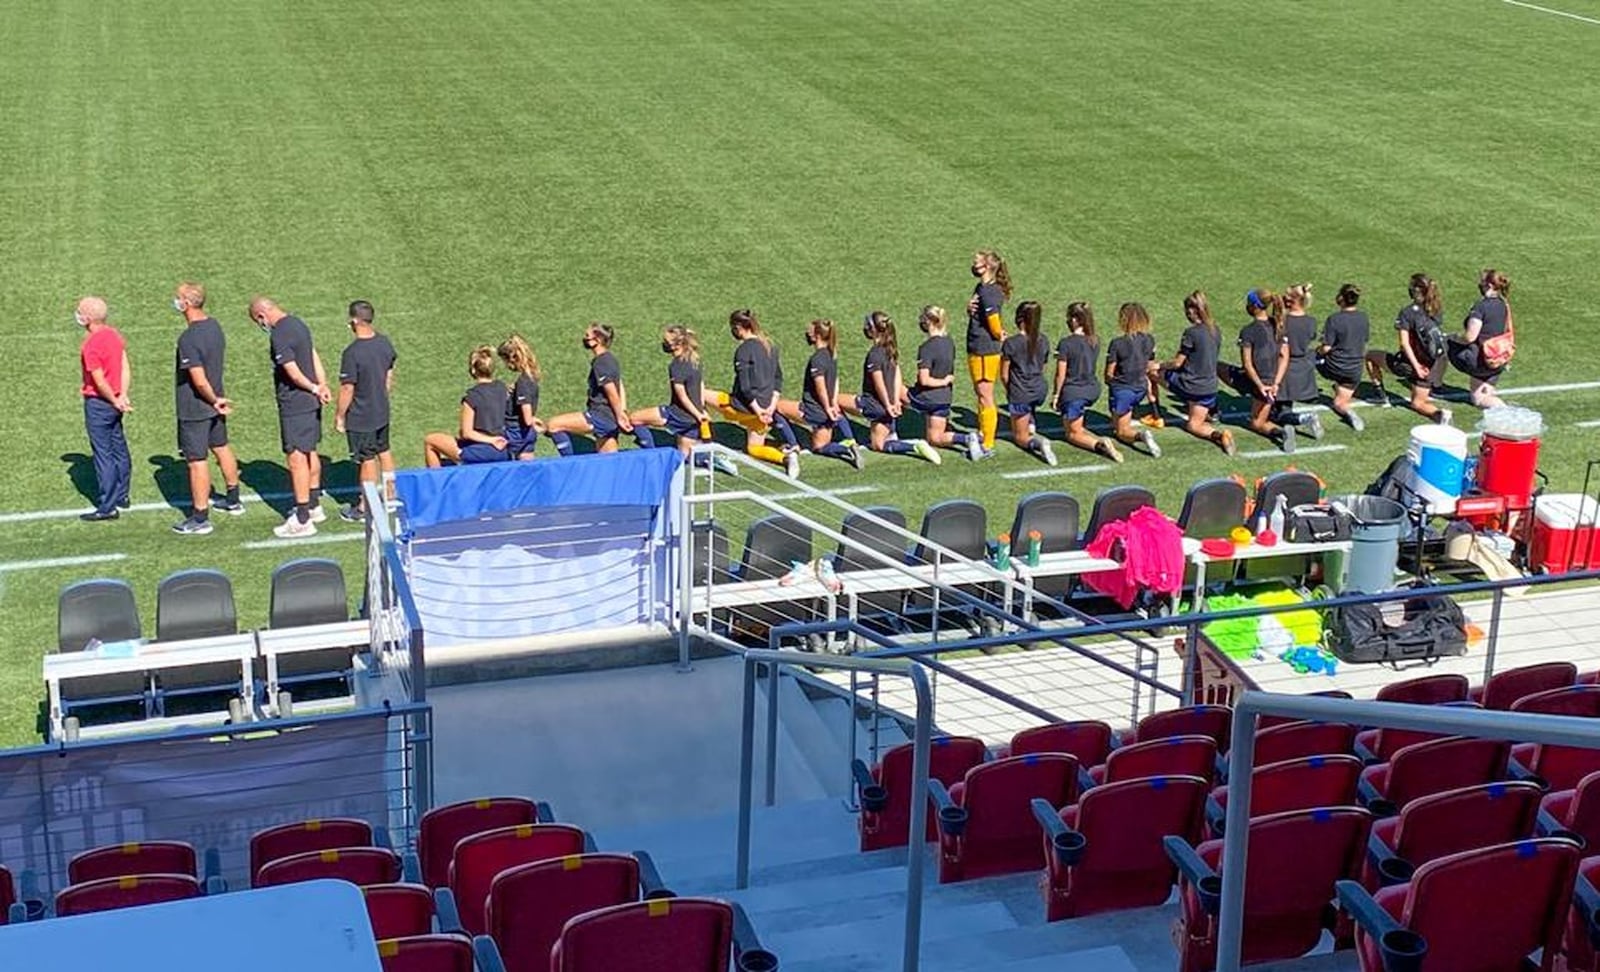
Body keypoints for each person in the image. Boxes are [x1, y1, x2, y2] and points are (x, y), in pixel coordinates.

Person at [171, 282, 243, 535]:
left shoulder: (188, 338)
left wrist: (213, 399)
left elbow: (198, 379)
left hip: (197, 407)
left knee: (196, 460)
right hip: (215, 403)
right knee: (221, 446)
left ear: (187, 303)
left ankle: (200, 517)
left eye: (178, 298)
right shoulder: (214, 326)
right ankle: (233, 498)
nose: (176, 301)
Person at [708, 310, 799, 478]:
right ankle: (786, 459)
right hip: (765, 408)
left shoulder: (743, 350)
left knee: (700, 395)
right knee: (754, 449)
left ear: (739, 327)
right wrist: (770, 407)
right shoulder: (770, 345)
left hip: (743, 408)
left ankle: (704, 442)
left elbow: (745, 388)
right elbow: (778, 378)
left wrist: (758, 411)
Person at [841, 312, 940, 464]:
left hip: (874, 404)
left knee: (834, 400)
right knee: (879, 445)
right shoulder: (891, 350)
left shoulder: (874, 354)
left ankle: (849, 441)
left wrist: (888, 405)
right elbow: (896, 378)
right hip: (887, 405)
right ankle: (913, 445)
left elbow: (878, 382)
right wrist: (894, 402)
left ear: (873, 329)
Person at [334, 300, 397, 522]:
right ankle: (390, 497)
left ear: (354, 321)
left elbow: (347, 388)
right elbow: (389, 373)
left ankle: (364, 506)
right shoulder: (384, 342)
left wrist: (340, 416)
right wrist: (382, 394)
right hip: (381, 409)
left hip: (362, 416)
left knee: (366, 459)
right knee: (384, 451)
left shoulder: (352, 353)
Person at [776, 319, 862, 468]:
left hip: (814, 411)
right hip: (827, 413)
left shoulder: (817, 358)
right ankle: (846, 448)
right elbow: (835, 382)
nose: (807, 335)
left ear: (817, 336)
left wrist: (828, 407)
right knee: (819, 447)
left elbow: (820, 385)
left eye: (809, 332)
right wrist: (833, 403)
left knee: (776, 407)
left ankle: (792, 444)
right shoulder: (831, 354)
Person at [1368, 273, 1451, 425]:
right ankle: (1440, 414)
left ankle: (1379, 394)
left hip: (1409, 364)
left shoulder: (1407, 312)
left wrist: (1416, 367)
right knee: (1418, 403)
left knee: (1369, 356)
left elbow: (1404, 344)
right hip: (1430, 367)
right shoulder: (1436, 309)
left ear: (1415, 290)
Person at [76, 296, 132, 522]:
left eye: (79, 311)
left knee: (103, 454)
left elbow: (98, 380)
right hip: (116, 400)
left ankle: (107, 506)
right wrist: (122, 395)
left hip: (100, 404)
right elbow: (125, 366)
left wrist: (113, 399)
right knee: (119, 446)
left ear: (88, 318)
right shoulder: (114, 335)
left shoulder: (90, 344)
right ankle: (122, 495)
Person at [1162, 291, 1234, 455]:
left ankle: (1155, 414)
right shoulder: (1216, 330)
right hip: (1209, 388)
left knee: (1152, 373)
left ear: (1192, 310)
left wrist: (1159, 365)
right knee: (1194, 425)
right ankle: (1220, 435)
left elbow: (1177, 363)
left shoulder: (1191, 333)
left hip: (1191, 386)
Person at [543, 323, 632, 455]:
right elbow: (620, 385)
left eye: (587, 336)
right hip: (610, 418)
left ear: (598, 340)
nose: (584, 338)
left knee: (553, 425)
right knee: (608, 460)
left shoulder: (601, 362)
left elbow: (612, 391)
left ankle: (571, 462)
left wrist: (620, 416)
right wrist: (622, 411)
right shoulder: (611, 359)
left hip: (601, 416)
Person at [1226, 289, 1295, 454]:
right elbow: (1284, 356)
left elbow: (1248, 364)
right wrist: (1276, 383)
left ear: (1255, 306)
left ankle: (1282, 432)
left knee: (1257, 423)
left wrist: (1260, 386)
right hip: (1274, 382)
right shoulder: (1278, 325)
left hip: (1259, 383)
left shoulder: (1248, 331)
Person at [629, 325, 714, 456]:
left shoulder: (676, 365)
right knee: (684, 456)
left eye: (666, 342)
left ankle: (652, 454)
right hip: (694, 419)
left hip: (678, 414)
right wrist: (701, 410)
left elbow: (682, 396)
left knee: (634, 419)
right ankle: (708, 460)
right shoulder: (695, 359)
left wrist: (698, 415)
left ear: (676, 345)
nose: (664, 344)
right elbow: (700, 386)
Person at [908, 305, 980, 460]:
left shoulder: (926, 348)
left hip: (928, 397)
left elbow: (924, 379)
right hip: (944, 399)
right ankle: (967, 438)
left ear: (928, 322)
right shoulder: (949, 343)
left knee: (897, 393)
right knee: (935, 438)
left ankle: (888, 433)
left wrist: (942, 381)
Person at [1052, 302, 1120, 462]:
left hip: (1074, 392)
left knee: (1072, 434)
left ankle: (1099, 445)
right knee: (1076, 426)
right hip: (1092, 389)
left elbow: (1060, 375)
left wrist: (1056, 395)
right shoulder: (1094, 340)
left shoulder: (1066, 343)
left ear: (1076, 320)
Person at [422, 346, 511, 466]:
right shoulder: (502, 388)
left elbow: (467, 433)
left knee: (430, 440)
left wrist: (491, 440)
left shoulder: (472, 397)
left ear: (473, 370)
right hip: (503, 449)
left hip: (481, 450)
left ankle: (436, 483)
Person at [998, 301, 1057, 465]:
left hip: (1021, 393)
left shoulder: (1011, 343)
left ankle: (1038, 443)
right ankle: (1030, 422)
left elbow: (1004, 374)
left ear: (1020, 319)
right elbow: (1043, 367)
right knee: (1028, 408)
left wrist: (1012, 392)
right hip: (1039, 390)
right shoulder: (1044, 340)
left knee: (1019, 437)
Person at [965, 249, 1011, 459]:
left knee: (985, 396)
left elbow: (993, 321)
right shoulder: (982, 288)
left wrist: (998, 333)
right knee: (981, 394)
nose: (973, 265)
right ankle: (985, 433)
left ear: (987, 267)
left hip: (985, 350)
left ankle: (988, 443)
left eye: (976, 262)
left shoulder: (989, 292)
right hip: (978, 347)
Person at [1448, 268, 1514, 409]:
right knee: (1482, 395)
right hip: (1498, 359)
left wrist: (1453, 337)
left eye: (1482, 283)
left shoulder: (1481, 307)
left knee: (1445, 343)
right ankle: (1489, 392)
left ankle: (1433, 384)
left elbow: (1470, 337)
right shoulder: (1503, 304)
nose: (1479, 285)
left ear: (1489, 286)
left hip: (1480, 360)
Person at [1105, 302, 1162, 458]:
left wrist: (1111, 385)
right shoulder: (1150, 340)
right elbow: (1149, 365)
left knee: (1121, 431)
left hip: (1123, 391)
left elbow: (1109, 373)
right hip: (1140, 389)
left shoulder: (1117, 343)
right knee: (1120, 421)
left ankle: (1141, 437)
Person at [1272, 284, 1325, 440]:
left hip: (1285, 370)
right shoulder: (1311, 321)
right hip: (1303, 368)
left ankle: (1304, 419)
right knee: (1283, 408)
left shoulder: (1282, 321)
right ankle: (1290, 424)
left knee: (1280, 414)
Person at [1316, 283, 1371, 431]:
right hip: (1354, 371)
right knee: (1340, 403)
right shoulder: (1363, 318)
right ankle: (1348, 411)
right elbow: (1364, 340)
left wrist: (1317, 351)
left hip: (1333, 367)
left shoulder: (1334, 319)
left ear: (1341, 298)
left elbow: (1326, 348)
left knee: (1306, 357)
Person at [498, 335, 541, 460]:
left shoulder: (523, 382)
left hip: (515, 433)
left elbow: (527, 419)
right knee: (528, 472)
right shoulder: (531, 378)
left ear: (511, 359)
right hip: (528, 435)